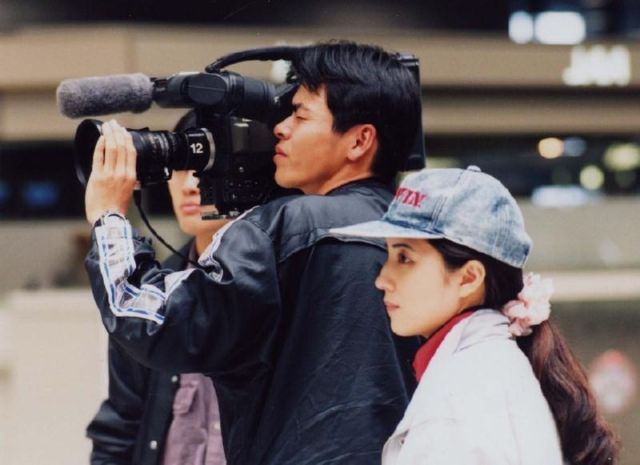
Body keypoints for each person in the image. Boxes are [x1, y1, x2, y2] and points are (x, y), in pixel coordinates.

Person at [82, 42, 422, 464]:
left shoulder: (281, 228)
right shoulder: (423, 235)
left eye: (300, 116)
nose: (281, 129)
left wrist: (108, 216)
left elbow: (153, 321)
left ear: (359, 140)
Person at [331, 166, 620, 465]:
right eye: (388, 255)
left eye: (404, 258)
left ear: (469, 278)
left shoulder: (460, 397)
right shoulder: (484, 370)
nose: (382, 279)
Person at [86, 112, 229, 464]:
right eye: (180, 166)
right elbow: (121, 424)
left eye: (206, 165)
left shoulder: (280, 279)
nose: (190, 184)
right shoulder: (149, 292)